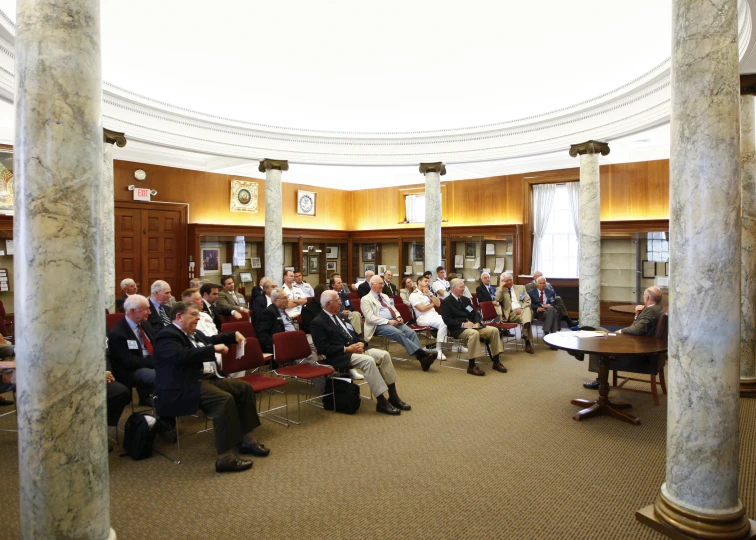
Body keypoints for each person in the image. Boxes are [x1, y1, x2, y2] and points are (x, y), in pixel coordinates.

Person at [153, 301, 269, 473]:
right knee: (223, 400)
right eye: (193, 314)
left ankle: (246, 439)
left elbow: (210, 339)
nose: (198, 318)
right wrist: (212, 349)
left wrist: (232, 336)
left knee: (243, 389)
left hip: (205, 379)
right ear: (179, 316)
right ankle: (225, 458)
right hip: (183, 385)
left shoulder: (192, 333)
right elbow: (180, 356)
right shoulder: (167, 335)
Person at [311, 290, 410, 415]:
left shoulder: (342, 316)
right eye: (338, 300)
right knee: (368, 361)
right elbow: (322, 348)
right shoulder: (318, 322)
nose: (341, 302)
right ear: (329, 303)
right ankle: (381, 401)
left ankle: (393, 395)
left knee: (384, 355)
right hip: (340, 356)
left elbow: (355, 335)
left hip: (356, 350)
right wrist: (346, 349)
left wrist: (362, 343)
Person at [108, 294, 176, 439]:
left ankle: (176, 408)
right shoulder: (118, 333)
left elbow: (156, 344)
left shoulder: (145, 324)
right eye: (145, 309)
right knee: (163, 378)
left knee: (177, 369)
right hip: (132, 371)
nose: (149, 312)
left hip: (152, 363)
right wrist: (157, 363)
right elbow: (128, 361)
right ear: (132, 311)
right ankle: (165, 423)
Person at [583, 287, 665, 389]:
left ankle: (600, 381)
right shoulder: (658, 309)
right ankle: (598, 376)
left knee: (598, 335)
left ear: (647, 297)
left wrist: (620, 331)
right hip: (638, 345)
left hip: (633, 352)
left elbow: (637, 330)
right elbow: (639, 328)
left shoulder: (650, 311)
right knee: (599, 332)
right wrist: (637, 315)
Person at [360, 276, 437, 370]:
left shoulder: (384, 296)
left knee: (411, 333)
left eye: (383, 284)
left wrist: (398, 317)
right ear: (372, 284)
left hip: (393, 320)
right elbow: (370, 318)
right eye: (380, 284)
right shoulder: (365, 299)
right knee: (399, 333)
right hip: (378, 325)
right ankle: (422, 354)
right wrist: (388, 321)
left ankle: (422, 360)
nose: (382, 286)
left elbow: (393, 309)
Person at [441, 278, 508, 376]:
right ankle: (472, 366)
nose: (463, 289)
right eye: (461, 287)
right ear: (453, 288)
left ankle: (496, 362)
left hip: (473, 326)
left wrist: (477, 322)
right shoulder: (446, 302)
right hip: (458, 329)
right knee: (474, 333)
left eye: (463, 287)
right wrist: (463, 324)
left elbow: (474, 314)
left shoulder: (465, 300)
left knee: (494, 330)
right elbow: (447, 320)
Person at [409, 276, 451, 360]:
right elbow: (422, 309)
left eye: (428, 281)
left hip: (433, 315)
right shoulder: (414, 295)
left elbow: (438, 303)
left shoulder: (428, 293)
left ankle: (443, 346)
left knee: (449, 320)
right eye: (426, 281)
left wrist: (430, 294)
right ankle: (438, 350)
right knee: (443, 323)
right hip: (422, 318)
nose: (428, 283)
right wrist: (432, 304)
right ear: (419, 282)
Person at [495, 273, 535, 354]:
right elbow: (497, 299)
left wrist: (521, 308)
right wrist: (501, 287)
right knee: (528, 315)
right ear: (503, 282)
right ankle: (527, 338)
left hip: (521, 310)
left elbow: (527, 300)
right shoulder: (500, 290)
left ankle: (526, 329)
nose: (509, 282)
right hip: (511, 314)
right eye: (507, 281)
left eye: (510, 280)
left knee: (527, 310)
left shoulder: (521, 288)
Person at [528, 276, 560, 349]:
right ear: (537, 284)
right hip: (538, 312)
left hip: (548, 311)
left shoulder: (551, 292)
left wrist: (549, 305)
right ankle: (552, 340)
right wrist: (537, 308)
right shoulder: (530, 293)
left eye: (543, 283)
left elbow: (553, 303)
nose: (542, 285)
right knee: (554, 313)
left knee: (552, 309)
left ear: (545, 284)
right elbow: (529, 304)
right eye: (540, 283)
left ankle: (546, 331)